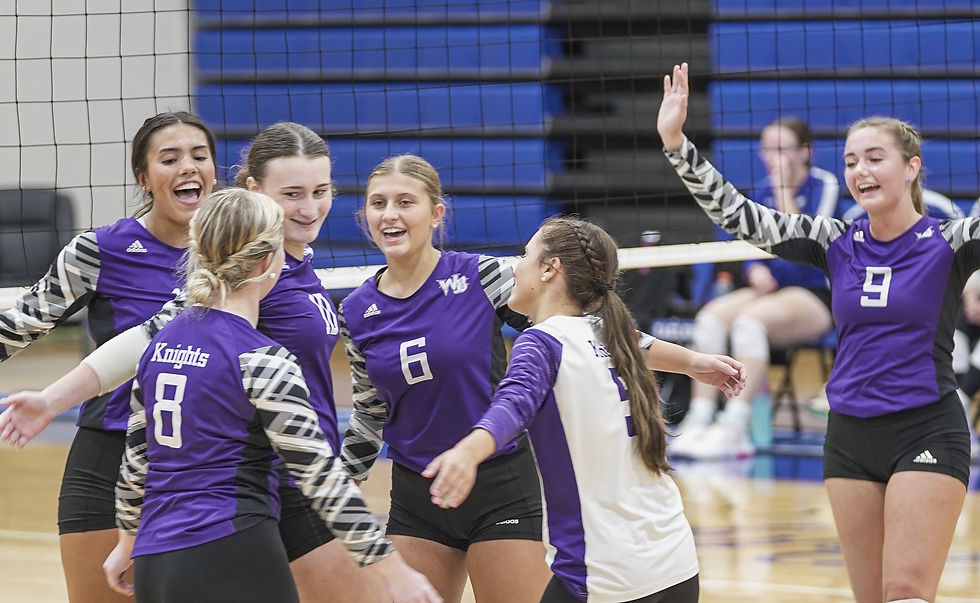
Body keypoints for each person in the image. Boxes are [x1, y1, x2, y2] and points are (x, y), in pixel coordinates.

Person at [1, 122, 389, 601]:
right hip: (221, 481)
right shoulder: (244, 275)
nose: (309, 207)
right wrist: (49, 400)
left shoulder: (296, 266)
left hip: (288, 479)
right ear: (254, 193)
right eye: (293, 193)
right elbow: (143, 342)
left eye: (321, 191)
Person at [337, 155, 745, 602]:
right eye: (378, 203)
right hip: (418, 491)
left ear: (436, 214)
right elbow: (370, 407)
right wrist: (342, 481)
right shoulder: (357, 310)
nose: (390, 214)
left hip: (499, 487)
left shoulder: (482, 277)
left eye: (405, 202)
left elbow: (593, 328)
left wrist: (688, 361)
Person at [658, 62, 973, 603]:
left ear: (912, 168)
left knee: (906, 591)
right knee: (870, 595)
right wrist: (676, 142)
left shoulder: (950, 240)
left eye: (875, 158)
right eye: (851, 161)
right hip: (849, 438)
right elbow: (738, 215)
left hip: (926, 430)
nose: (860, 170)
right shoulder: (834, 241)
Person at [99, 187, 439, 603]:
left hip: (155, 560)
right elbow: (320, 476)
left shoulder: (159, 345)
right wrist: (389, 567)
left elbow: (136, 460)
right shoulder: (263, 359)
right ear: (268, 262)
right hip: (233, 548)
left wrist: (125, 539)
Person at [424, 216, 705, 603]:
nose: (516, 266)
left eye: (524, 255)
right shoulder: (611, 334)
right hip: (676, 564)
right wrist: (693, 362)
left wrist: (467, 452)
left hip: (605, 576)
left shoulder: (543, 342)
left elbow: (514, 404)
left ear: (549, 269)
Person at [0, 111, 217, 603]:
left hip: (204, 461)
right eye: (170, 158)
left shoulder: (237, 252)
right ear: (144, 179)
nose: (188, 167)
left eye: (199, 156)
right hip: (110, 452)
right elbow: (19, 325)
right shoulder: (101, 250)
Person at [672, 117, 839, 460]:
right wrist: (756, 268)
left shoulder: (826, 185)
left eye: (782, 148)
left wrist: (783, 191)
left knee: (749, 324)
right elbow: (744, 247)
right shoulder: (760, 189)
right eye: (767, 148)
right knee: (710, 319)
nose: (773, 157)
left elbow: (803, 244)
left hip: (816, 294)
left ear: (805, 151)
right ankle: (700, 418)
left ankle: (735, 427)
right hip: (772, 291)